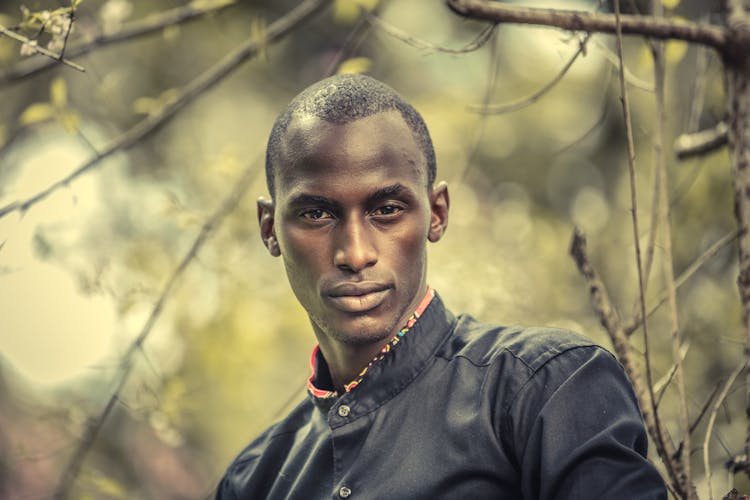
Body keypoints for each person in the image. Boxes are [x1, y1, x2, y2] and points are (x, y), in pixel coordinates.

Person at [215, 73, 667, 499]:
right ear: (270, 229)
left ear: (437, 214)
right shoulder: (255, 479)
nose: (354, 254)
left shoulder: (548, 388)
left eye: (387, 209)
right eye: (316, 214)